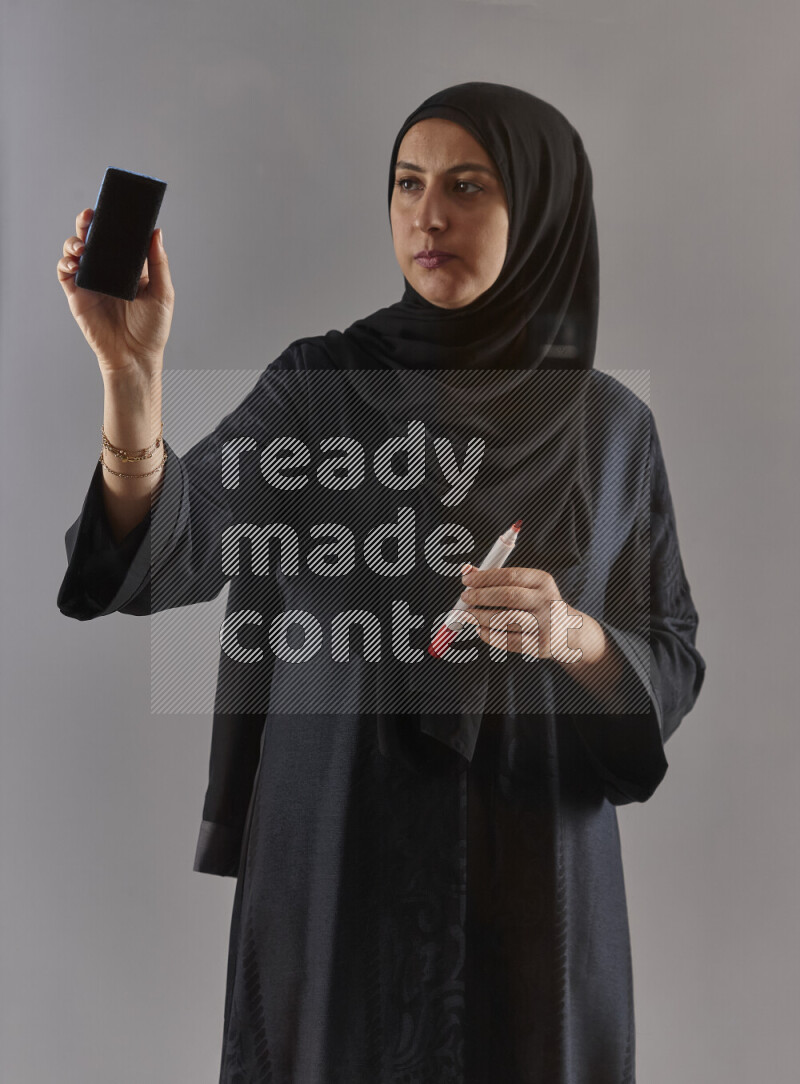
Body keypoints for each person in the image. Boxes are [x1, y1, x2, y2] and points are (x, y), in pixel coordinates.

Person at [57, 82, 706, 1084]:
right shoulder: (320, 391)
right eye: (407, 184)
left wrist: (572, 635)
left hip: (533, 878)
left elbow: (668, 655)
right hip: (339, 858)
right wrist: (131, 381)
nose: (426, 215)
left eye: (466, 185)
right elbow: (173, 546)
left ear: (539, 212)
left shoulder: (610, 428)